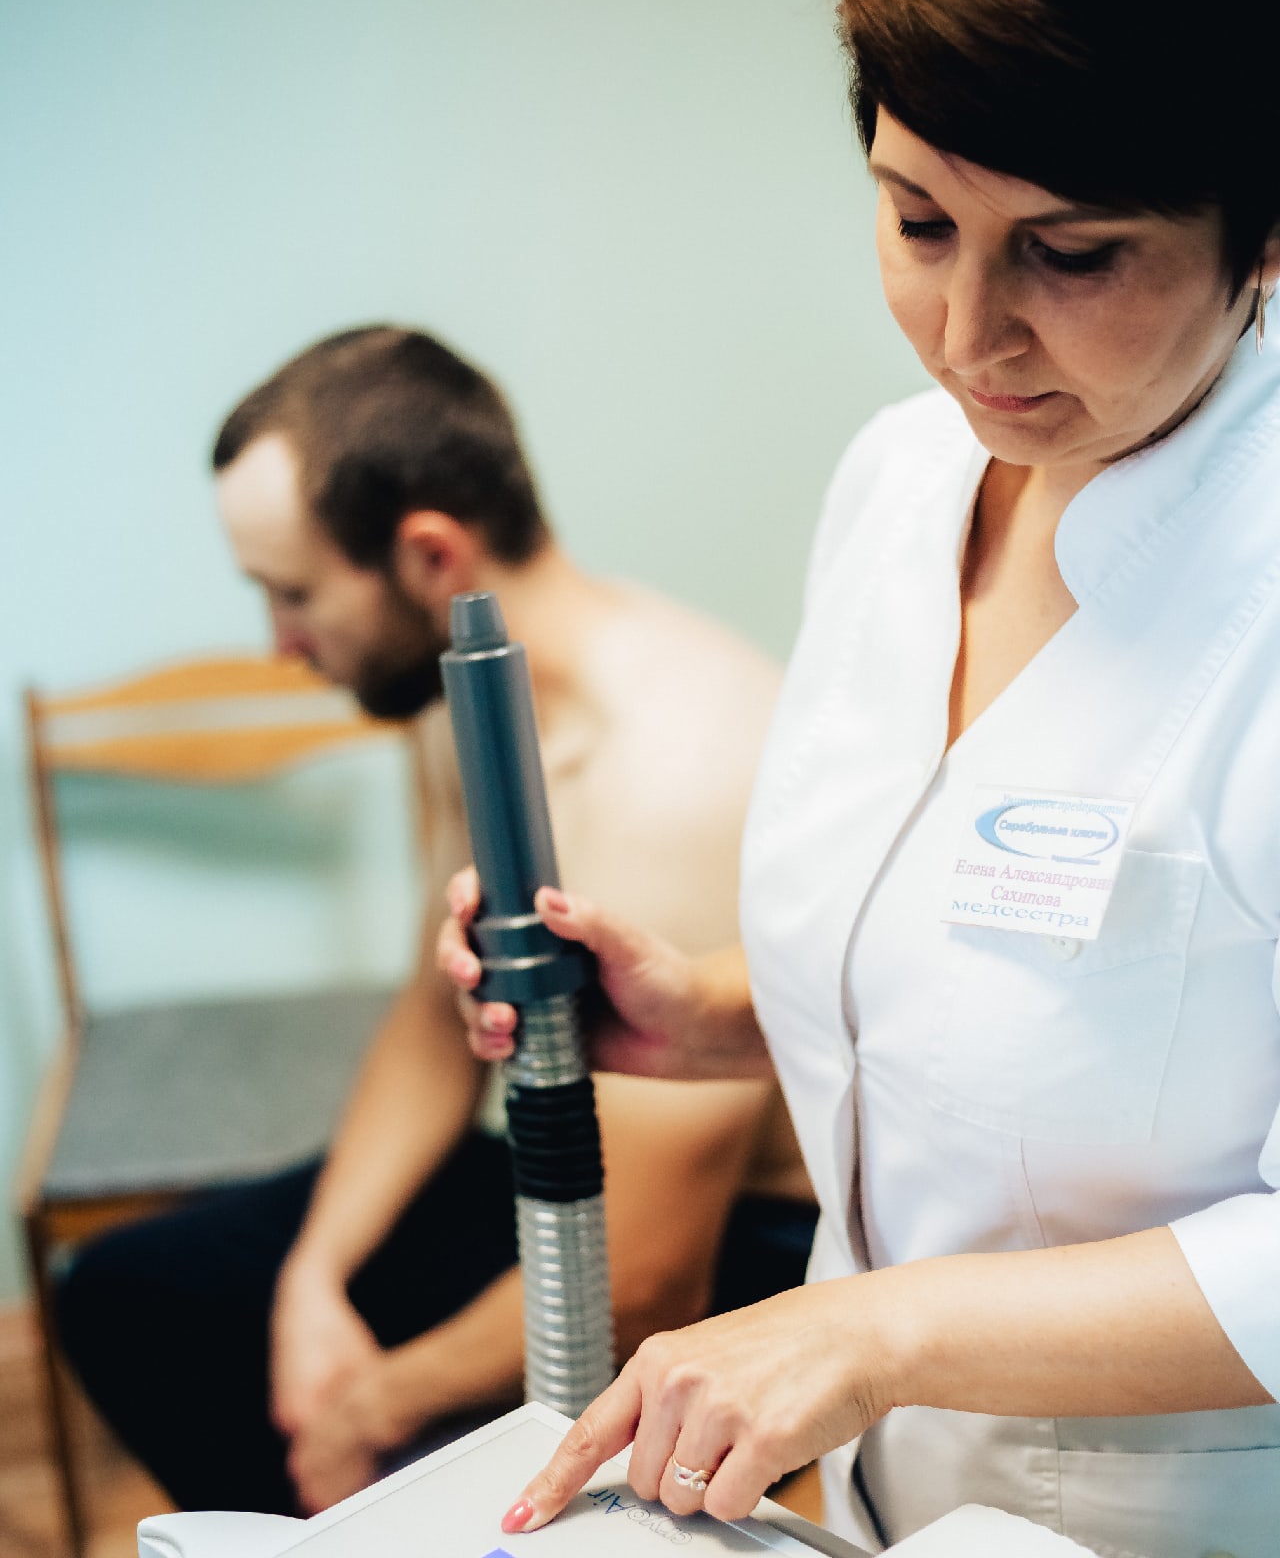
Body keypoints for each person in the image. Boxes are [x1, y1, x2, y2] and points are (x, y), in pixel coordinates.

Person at [443, 0, 1280, 1555]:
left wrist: (873, 1332)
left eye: (1073, 254)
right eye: (916, 223)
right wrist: (706, 1014)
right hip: (881, 1494)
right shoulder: (899, 482)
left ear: (1264, 229)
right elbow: (991, 973)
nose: (968, 336)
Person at [53, 325, 814, 1517]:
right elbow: (430, 1014)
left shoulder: (671, 776)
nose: (280, 644)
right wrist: (314, 1279)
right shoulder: (463, 690)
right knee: (129, 1293)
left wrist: (368, 1406)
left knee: (340, 1416)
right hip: (556, 1153)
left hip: (734, 1245)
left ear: (427, 554)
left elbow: (648, 1272)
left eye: (294, 593)